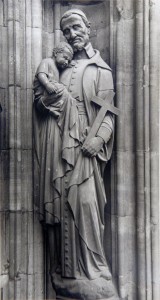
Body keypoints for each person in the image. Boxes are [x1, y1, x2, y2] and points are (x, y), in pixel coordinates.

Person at [34, 8, 119, 300]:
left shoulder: (100, 69)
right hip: (58, 145)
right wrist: (47, 97)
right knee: (60, 207)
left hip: (85, 147)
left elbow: (108, 114)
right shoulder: (60, 66)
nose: (72, 34)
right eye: (66, 31)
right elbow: (41, 103)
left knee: (85, 204)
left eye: (76, 28)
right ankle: (65, 272)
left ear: (89, 27)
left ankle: (93, 269)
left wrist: (99, 139)